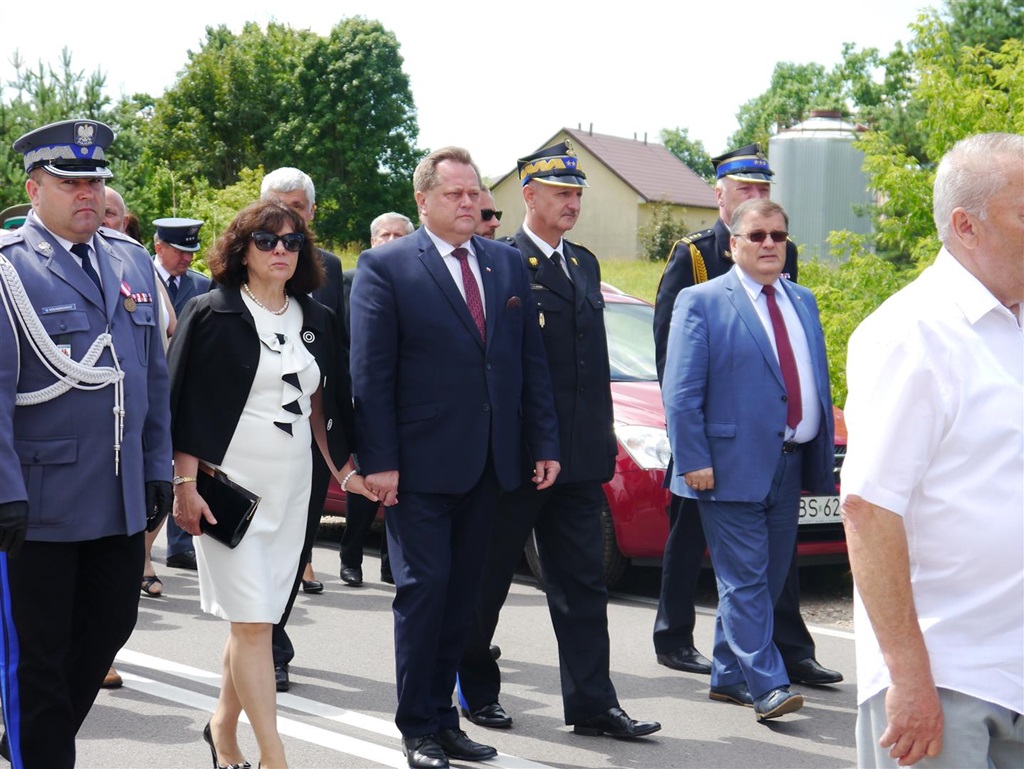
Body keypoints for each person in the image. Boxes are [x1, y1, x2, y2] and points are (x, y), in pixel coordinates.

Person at [349, 146, 560, 769]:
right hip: (418, 466)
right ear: (423, 200)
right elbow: (371, 372)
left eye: (475, 194)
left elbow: (529, 363)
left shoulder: (504, 263)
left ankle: (445, 721)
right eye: (455, 194)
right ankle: (417, 726)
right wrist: (379, 460)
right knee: (424, 592)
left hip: (491, 462)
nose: (469, 203)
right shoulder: (386, 265)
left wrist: (544, 442)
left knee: (464, 598)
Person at [457, 141, 661, 739]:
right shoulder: (499, 262)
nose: (573, 203)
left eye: (577, 194)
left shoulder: (584, 264)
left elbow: (589, 368)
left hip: (579, 458)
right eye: (561, 193)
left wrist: (601, 444)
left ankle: (594, 705)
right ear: (530, 196)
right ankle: (475, 689)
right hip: (518, 459)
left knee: (582, 588)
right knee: (488, 581)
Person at [167, 198, 373, 769]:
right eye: (266, 240)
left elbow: (321, 411)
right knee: (255, 621)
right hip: (228, 490)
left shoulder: (318, 318)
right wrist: (185, 483)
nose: (281, 249)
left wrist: (346, 473)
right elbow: (183, 407)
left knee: (254, 620)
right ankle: (273, 756)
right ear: (242, 250)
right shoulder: (211, 312)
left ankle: (221, 728)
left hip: (294, 488)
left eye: (292, 241)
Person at [841, 133, 1024, 768]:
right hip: (945, 678)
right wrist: (909, 677)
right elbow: (868, 508)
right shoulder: (911, 334)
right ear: (967, 226)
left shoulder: (1014, 326)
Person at [0, 118, 172, 768]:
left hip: (117, 497)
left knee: (109, 627)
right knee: (37, 654)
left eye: (95, 181)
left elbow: (150, 375)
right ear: (33, 188)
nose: (88, 193)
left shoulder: (129, 259)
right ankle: (41, 751)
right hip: (38, 502)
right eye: (70, 182)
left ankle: (28, 738)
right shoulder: (10, 268)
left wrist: (158, 467)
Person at [652, 144, 841, 688]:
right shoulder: (696, 264)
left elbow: (803, 371)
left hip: (784, 454)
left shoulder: (797, 293)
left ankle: (731, 671)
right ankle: (762, 680)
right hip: (722, 452)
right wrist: (691, 449)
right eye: (755, 231)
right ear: (723, 205)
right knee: (730, 570)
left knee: (768, 573)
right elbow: (676, 371)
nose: (769, 242)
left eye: (776, 232)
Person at [337, 212, 414, 587]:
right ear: (372, 241)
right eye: (385, 235)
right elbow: (342, 340)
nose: (392, 240)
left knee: (401, 488)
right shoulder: (350, 280)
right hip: (363, 397)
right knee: (366, 482)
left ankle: (389, 564)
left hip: (407, 401)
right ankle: (350, 558)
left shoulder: (419, 281)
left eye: (400, 235)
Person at [152, 217, 209, 574]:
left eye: (191, 251)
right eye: (179, 251)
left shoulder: (202, 285)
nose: (187, 258)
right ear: (158, 247)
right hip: (149, 388)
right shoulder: (136, 277)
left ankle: (180, 545)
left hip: (187, 387)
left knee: (185, 463)